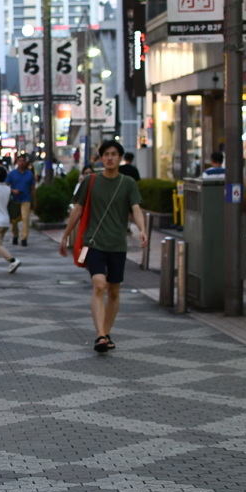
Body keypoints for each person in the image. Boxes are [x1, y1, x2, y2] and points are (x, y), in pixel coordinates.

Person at [59, 140, 148, 353]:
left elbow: (136, 208)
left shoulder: (128, 183)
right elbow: (78, 210)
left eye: (113, 154)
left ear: (119, 157)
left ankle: (106, 333)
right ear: (100, 158)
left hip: (117, 243)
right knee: (99, 285)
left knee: (114, 291)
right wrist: (65, 236)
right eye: (106, 154)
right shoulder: (90, 181)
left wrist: (142, 229)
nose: (109, 158)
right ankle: (100, 334)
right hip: (94, 242)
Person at [7, 155, 36, 246]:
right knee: (14, 220)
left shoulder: (30, 174)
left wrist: (35, 201)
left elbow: (33, 188)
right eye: (19, 161)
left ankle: (24, 238)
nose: (21, 163)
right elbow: (6, 185)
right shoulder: (12, 174)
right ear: (17, 162)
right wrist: (13, 191)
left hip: (26, 199)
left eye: (23, 161)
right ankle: (15, 235)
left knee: (25, 218)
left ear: (26, 162)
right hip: (14, 200)